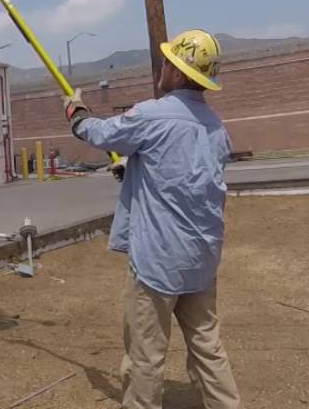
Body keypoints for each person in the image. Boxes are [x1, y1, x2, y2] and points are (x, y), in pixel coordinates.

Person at [62, 29, 241, 409]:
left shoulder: (152, 115)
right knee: (208, 346)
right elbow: (186, 178)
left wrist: (76, 112)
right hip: (201, 259)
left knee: (145, 357)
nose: (162, 67)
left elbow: (100, 133)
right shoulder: (216, 129)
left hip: (157, 262)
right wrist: (136, 169)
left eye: (167, 62)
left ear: (176, 72)